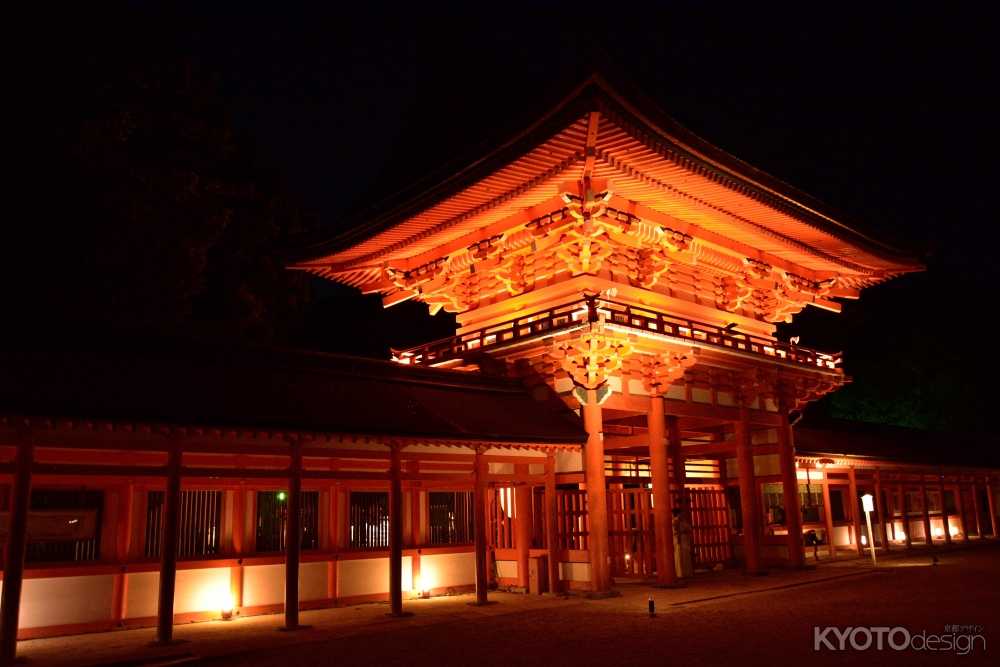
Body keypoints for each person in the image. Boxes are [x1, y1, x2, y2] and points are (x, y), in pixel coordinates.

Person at [672, 507, 694, 577]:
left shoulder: (681, 521)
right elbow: (678, 530)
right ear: (678, 514)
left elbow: (689, 528)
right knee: (681, 556)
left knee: (683, 556)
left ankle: (683, 573)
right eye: (680, 513)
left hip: (682, 539)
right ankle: (682, 573)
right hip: (680, 539)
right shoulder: (676, 521)